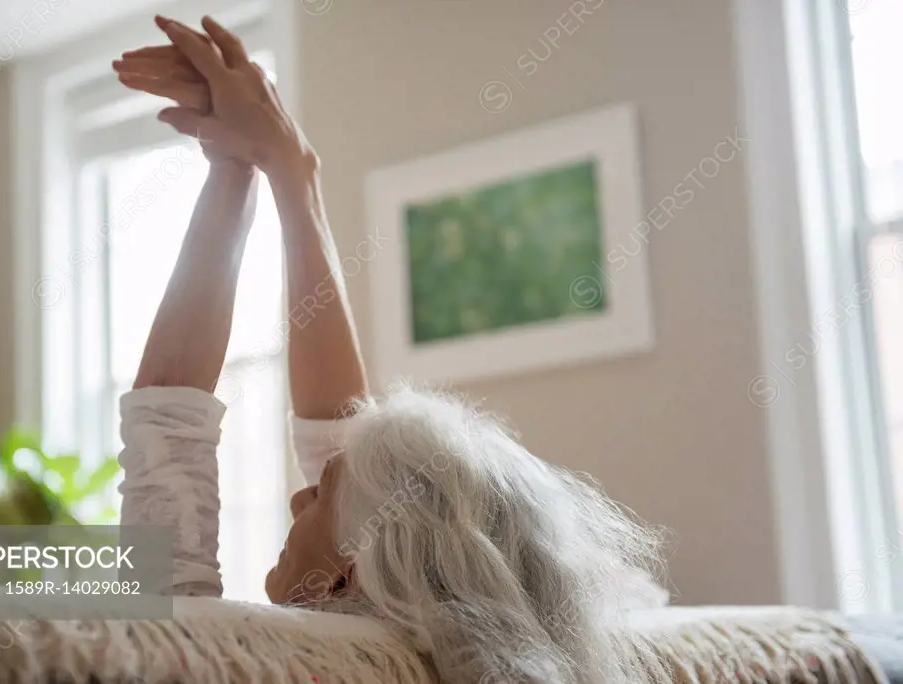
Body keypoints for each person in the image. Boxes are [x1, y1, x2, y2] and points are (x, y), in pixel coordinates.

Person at [113, 16, 667, 683]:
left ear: (345, 574)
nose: (297, 499)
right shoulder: (436, 642)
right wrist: (290, 172)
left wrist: (246, 167)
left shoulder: (229, 659)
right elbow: (348, 455)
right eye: (314, 492)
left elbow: (166, 426)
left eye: (317, 499)